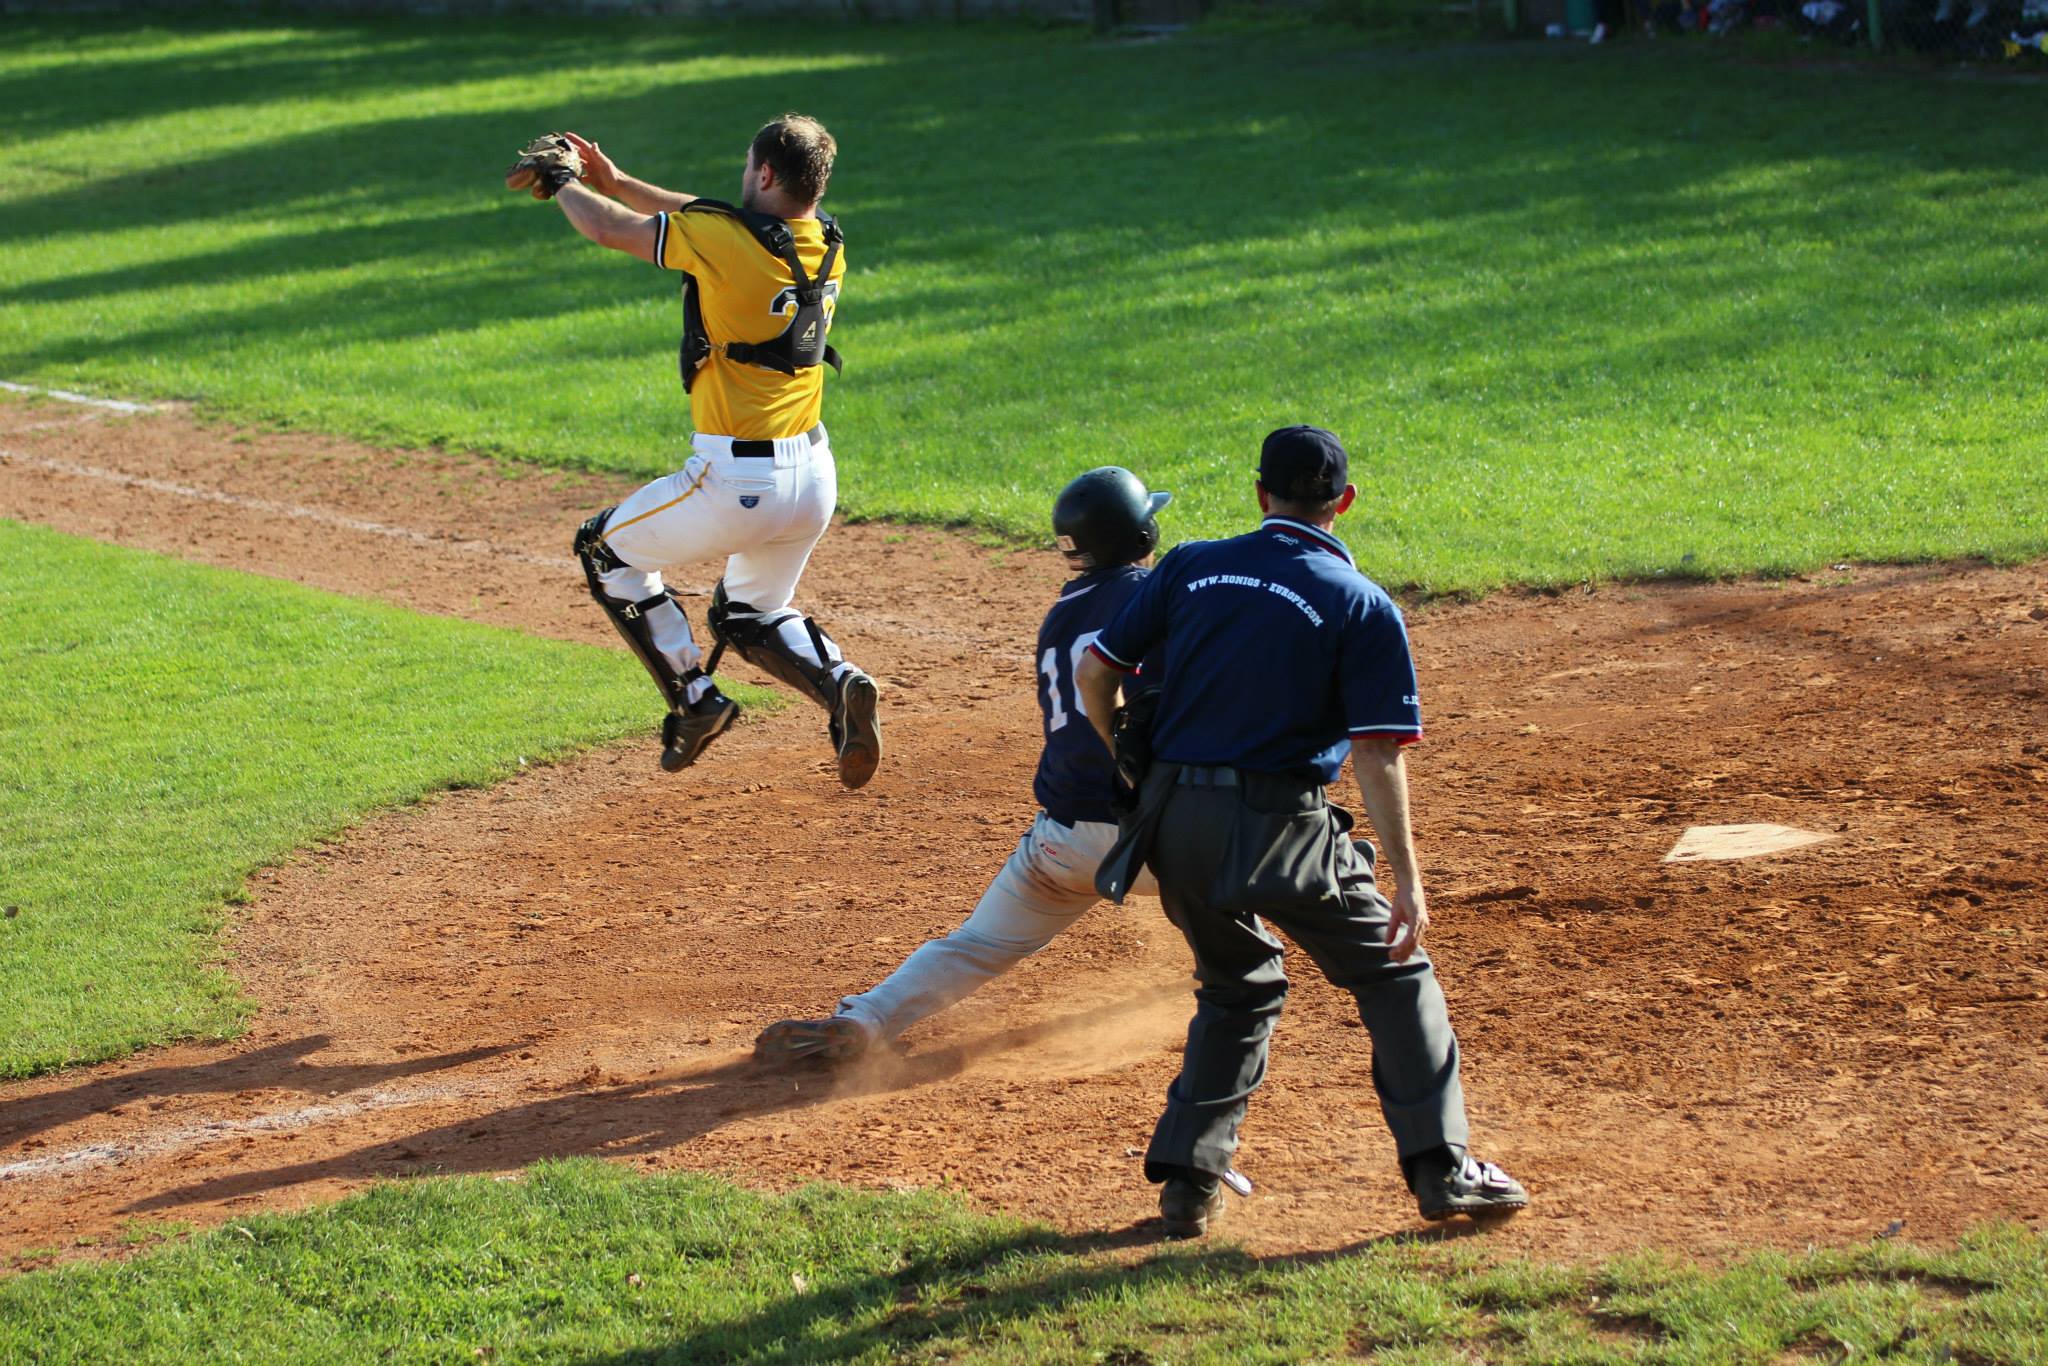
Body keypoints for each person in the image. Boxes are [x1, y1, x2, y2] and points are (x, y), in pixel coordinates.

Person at [1074, 425, 1527, 1237]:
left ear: (1261, 495)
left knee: (1238, 985)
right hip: (1281, 825)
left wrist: (1124, 760)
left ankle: (1189, 1181)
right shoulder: (1360, 602)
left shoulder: (1190, 564)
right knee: (1395, 973)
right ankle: (1442, 1167)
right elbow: (1376, 753)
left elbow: (1095, 671)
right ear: (1343, 502)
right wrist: (1408, 880)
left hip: (1170, 823)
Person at [505, 115, 881, 787]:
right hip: (813, 480)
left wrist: (564, 180)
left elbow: (609, 229)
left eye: (748, 165)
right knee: (748, 613)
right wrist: (617, 179)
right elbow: (711, 216)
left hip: (736, 483)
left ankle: (694, 699)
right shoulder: (824, 240)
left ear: (766, 172)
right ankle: (839, 680)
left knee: (605, 552)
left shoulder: (725, 243)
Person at [753, 468, 1170, 1063]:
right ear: (1144, 534)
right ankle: (1243, 973)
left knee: (975, 944)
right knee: (1263, 872)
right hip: (1155, 842)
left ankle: (867, 1017)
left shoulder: (1060, 618)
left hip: (1061, 844)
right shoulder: (1158, 601)